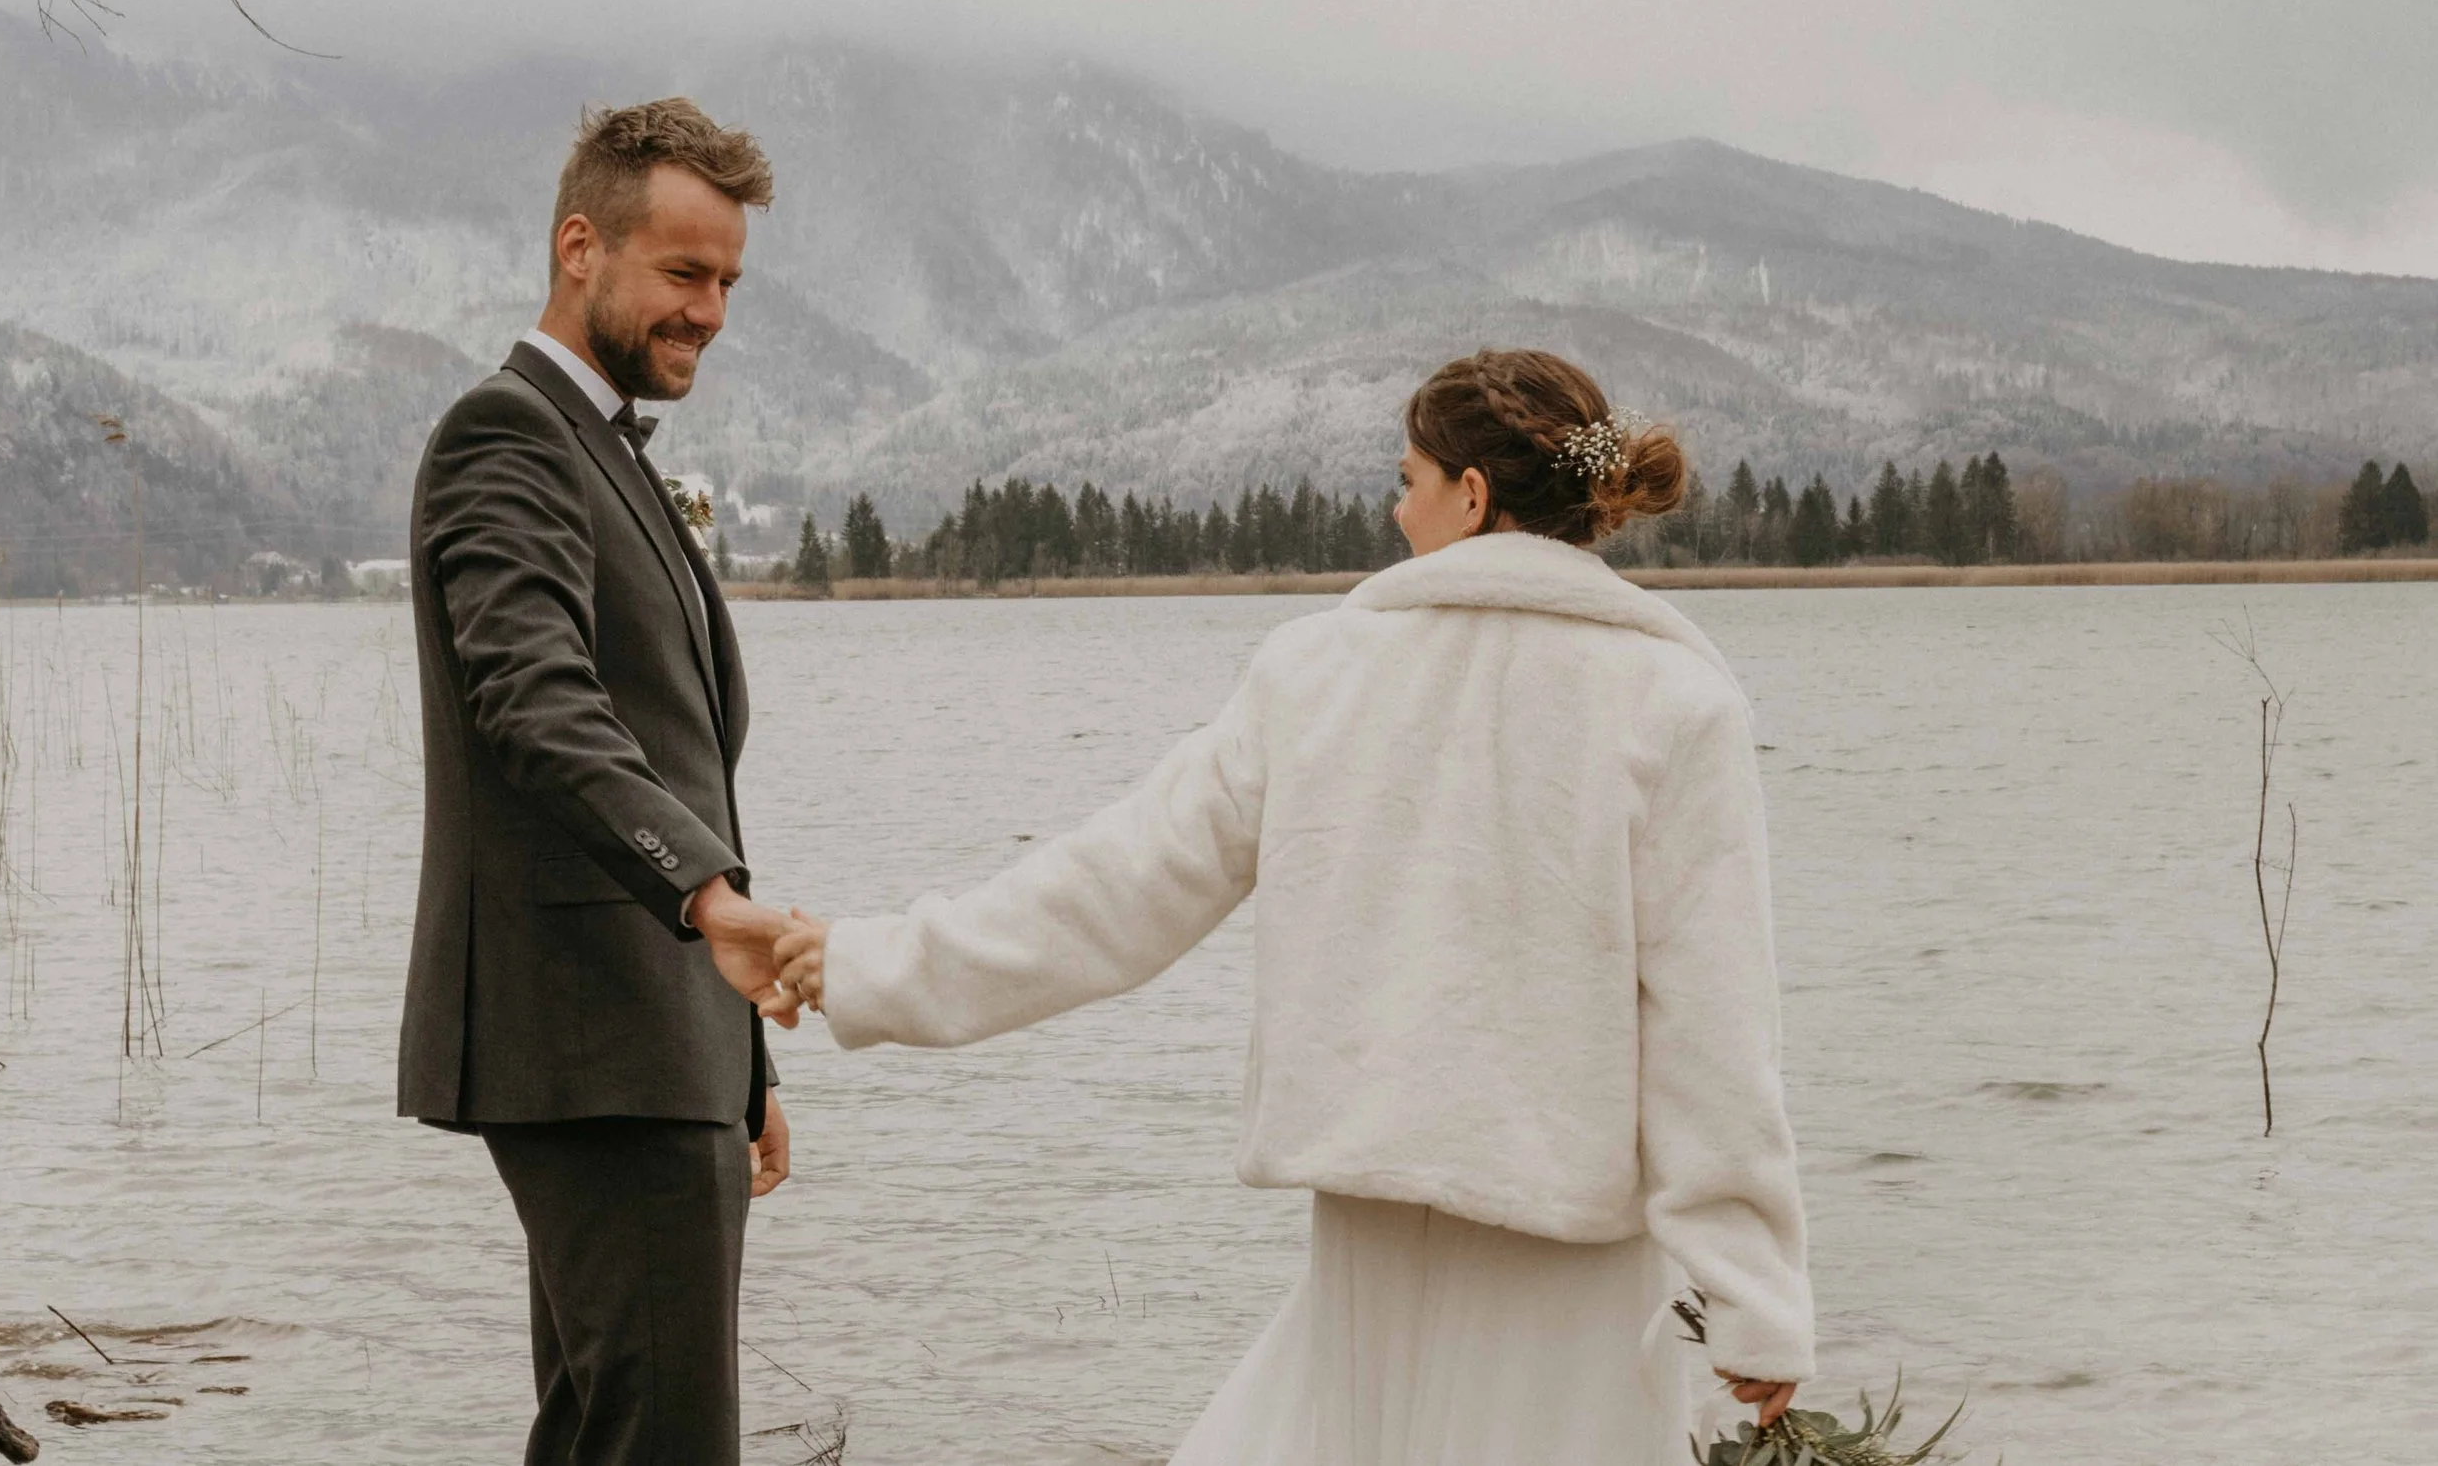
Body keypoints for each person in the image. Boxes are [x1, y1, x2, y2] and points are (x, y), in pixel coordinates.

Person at [762, 348, 1814, 1465]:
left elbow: (1117, 890)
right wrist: (1751, 1292)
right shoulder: (1676, 701)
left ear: (1472, 495)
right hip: (1565, 1243)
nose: (1393, 505)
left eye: (1406, 478)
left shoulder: (1316, 671)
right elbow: (1712, 1027)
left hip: (1370, 1221)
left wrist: (869, 963)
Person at [398, 98, 805, 1466]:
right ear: (583, 247)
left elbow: (671, 743)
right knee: (661, 1441)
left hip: (657, 1045)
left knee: (605, 1432)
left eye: (729, 279)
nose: (712, 309)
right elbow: (536, 702)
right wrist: (706, 895)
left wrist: (736, 1061)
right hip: (593, 1044)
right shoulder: (506, 437)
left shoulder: (602, 446)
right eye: (685, 273)